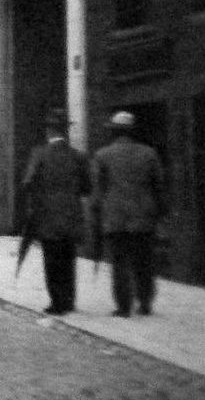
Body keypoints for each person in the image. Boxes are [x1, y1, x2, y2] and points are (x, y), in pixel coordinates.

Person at [91, 111, 167, 317]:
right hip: (143, 217)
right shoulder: (149, 153)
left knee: (119, 263)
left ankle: (123, 306)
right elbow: (159, 186)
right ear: (132, 132)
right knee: (144, 261)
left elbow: (98, 191)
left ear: (114, 132)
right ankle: (145, 303)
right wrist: (160, 213)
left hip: (115, 218)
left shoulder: (102, 155)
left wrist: (96, 213)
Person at [20, 109, 90, 315]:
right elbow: (87, 188)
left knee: (51, 259)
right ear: (66, 131)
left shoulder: (39, 154)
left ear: (49, 131)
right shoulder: (78, 156)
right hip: (71, 215)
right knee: (69, 257)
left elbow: (28, 182)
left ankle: (57, 303)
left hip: (47, 216)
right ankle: (69, 300)